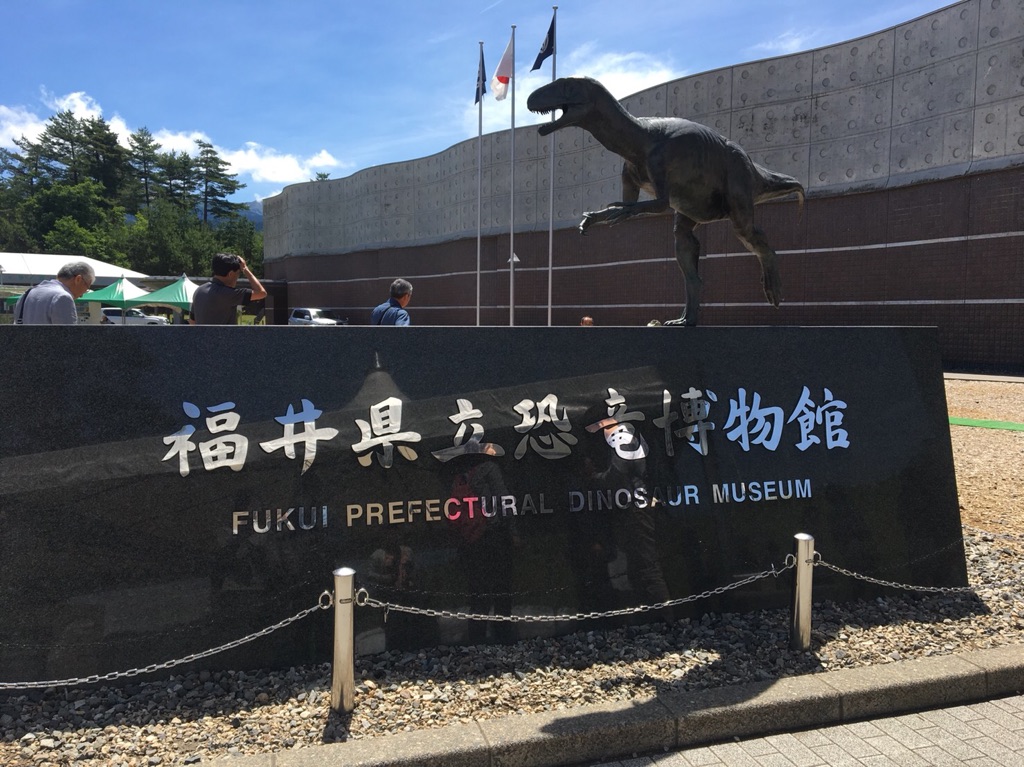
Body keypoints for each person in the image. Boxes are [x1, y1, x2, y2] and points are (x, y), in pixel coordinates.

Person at [190, 253, 267, 325]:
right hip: (224, 339)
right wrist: (245, 268)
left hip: (201, 338)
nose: (237, 278)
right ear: (230, 274)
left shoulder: (199, 291)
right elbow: (261, 293)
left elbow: (192, 321)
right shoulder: (228, 294)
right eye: (238, 274)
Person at [13, 261, 95, 325]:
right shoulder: (63, 297)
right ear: (78, 279)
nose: (82, 295)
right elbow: (69, 338)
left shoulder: (26, 294)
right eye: (87, 286)